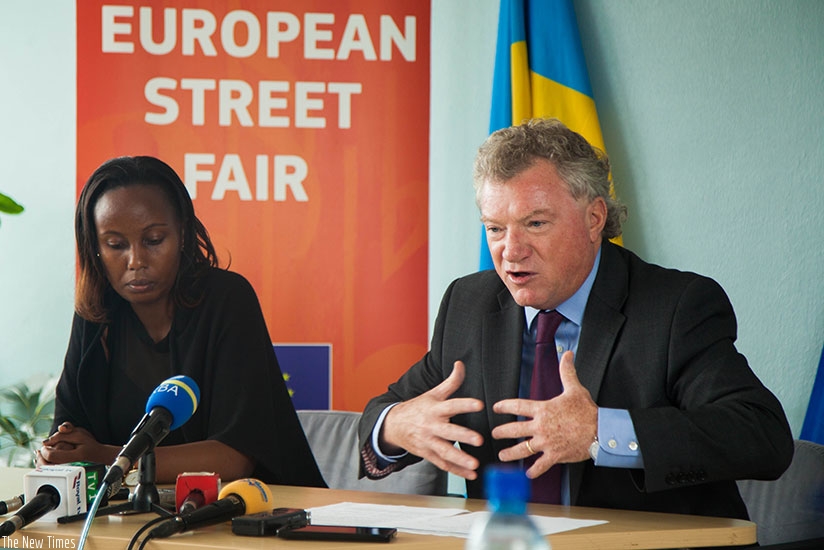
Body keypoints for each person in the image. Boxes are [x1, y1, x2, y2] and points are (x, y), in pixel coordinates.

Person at [358, 118, 793, 519]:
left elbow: (762, 436)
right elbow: (384, 413)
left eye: (535, 224)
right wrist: (396, 425)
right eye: (494, 228)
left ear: (594, 219)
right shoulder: (470, 303)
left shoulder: (675, 307)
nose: (510, 251)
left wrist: (602, 430)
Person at [38, 155, 326, 487]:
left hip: (259, 517)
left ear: (183, 234)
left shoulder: (228, 299)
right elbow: (70, 435)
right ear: (95, 248)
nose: (136, 261)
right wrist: (57, 451)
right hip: (134, 518)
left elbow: (234, 458)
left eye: (154, 240)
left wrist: (109, 457)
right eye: (115, 245)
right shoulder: (96, 313)